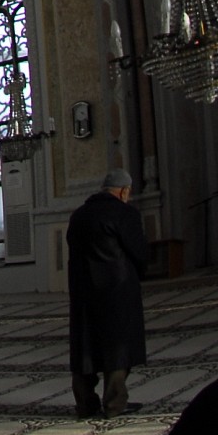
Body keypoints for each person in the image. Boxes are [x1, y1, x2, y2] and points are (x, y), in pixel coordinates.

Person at [67, 166, 148, 418]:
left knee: (85, 348)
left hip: (83, 293)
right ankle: (114, 405)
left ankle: (85, 404)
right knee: (118, 348)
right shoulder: (125, 213)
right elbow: (138, 251)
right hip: (117, 292)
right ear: (123, 191)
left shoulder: (78, 215)